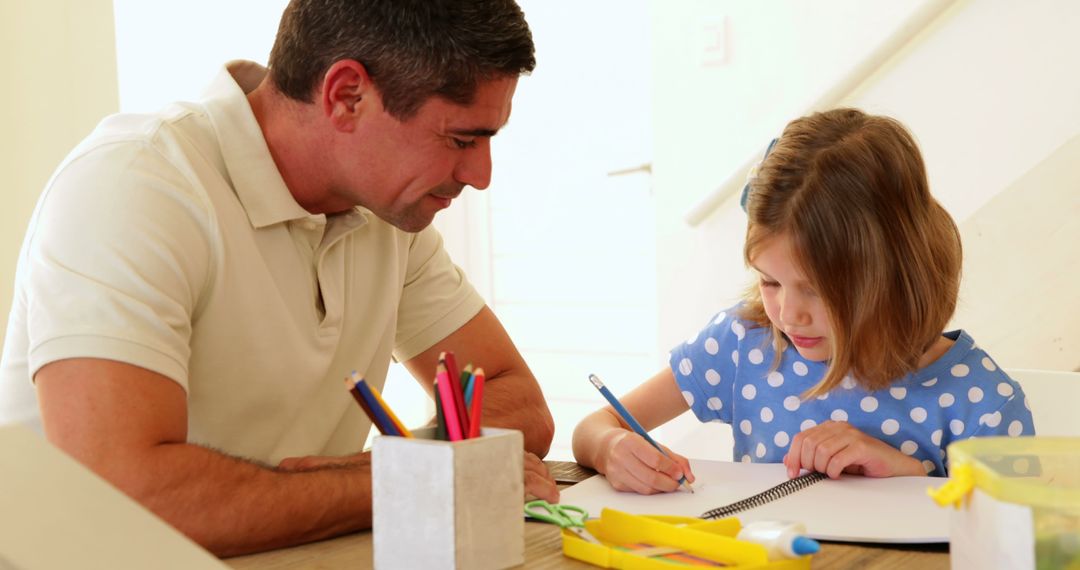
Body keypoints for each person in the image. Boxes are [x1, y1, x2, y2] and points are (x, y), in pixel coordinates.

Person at [0, 0, 557, 556]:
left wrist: (375, 473)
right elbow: (121, 496)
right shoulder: (133, 185)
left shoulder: (382, 212)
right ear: (347, 96)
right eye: (461, 140)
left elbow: (518, 402)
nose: (479, 176)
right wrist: (407, 478)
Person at [572, 108, 1035, 495]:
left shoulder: (983, 403)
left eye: (816, 288)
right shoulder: (743, 344)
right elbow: (598, 424)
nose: (788, 314)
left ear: (893, 272)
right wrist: (611, 447)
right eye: (770, 282)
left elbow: (1020, 546)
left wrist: (911, 477)